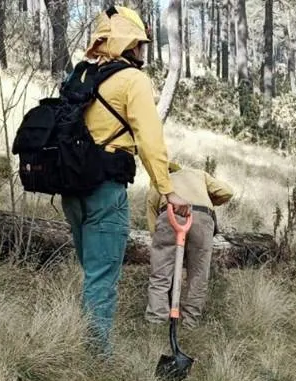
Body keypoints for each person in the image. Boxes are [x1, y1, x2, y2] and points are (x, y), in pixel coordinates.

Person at [64, 6, 189, 355]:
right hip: (105, 190)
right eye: (141, 44)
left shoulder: (83, 75)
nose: (143, 51)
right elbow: (150, 140)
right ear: (130, 44)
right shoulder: (133, 80)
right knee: (102, 278)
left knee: (93, 273)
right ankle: (96, 358)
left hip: (71, 189)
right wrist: (168, 191)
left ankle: (81, 343)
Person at [144, 161, 234, 327]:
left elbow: (152, 227)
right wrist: (206, 200)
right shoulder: (198, 174)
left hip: (170, 213)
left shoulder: (158, 183)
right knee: (199, 274)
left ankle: (156, 320)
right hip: (202, 216)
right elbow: (227, 192)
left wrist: (162, 246)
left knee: (160, 274)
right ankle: (190, 322)